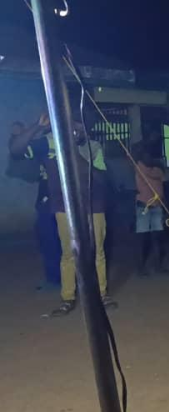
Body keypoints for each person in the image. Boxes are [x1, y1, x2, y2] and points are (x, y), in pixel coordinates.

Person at [9, 114, 112, 317]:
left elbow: (100, 178)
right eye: (74, 127)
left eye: (81, 128)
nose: (78, 131)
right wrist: (37, 126)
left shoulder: (93, 147)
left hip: (94, 205)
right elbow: (16, 150)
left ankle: (101, 294)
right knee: (69, 253)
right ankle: (68, 297)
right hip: (64, 206)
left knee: (97, 251)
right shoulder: (48, 143)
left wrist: (73, 152)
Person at [8, 121, 61, 290]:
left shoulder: (49, 141)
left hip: (56, 197)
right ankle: (58, 278)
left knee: (52, 238)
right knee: (50, 237)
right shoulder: (46, 142)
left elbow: (16, 150)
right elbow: (16, 150)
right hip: (51, 197)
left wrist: (36, 126)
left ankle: (59, 279)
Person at [132, 129, 168, 275]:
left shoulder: (156, 169)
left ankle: (157, 266)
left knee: (156, 238)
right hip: (144, 207)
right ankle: (141, 268)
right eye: (145, 155)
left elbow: (162, 187)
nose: (148, 157)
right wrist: (148, 139)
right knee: (143, 239)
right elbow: (134, 150)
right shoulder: (139, 166)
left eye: (149, 155)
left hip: (157, 206)